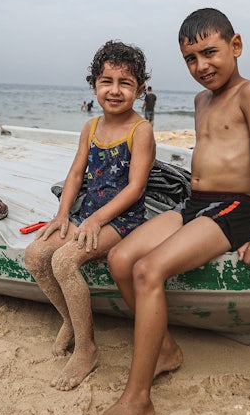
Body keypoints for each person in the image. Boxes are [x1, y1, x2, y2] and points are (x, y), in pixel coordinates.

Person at [82, 8, 250, 415]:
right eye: (191, 58)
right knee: (120, 258)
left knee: (147, 270)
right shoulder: (200, 100)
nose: (201, 66)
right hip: (196, 203)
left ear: (236, 46)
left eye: (210, 53)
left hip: (234, 209)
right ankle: (166, 349)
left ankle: (137, 402)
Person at [25, 41, 155, 392]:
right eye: (106, 81)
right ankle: (70, 320)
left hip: (121, 220)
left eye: (125, 83)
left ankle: (87, 349)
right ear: (94, 85)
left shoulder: (140, 131)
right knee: (35, 255)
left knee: (66, 260)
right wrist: (62, 214)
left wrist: (97, 221)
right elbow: (75, 175)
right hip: (86, 214)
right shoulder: (90, 127)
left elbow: (135, 187)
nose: (114, 90)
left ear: (139, 90)